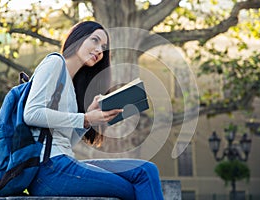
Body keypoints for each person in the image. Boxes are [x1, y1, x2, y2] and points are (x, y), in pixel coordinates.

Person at [23, 21, 164, 200]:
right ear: (77, 38)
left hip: (63, 162)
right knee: (129, 189)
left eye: (103, 47)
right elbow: (31, 113)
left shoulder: (72, 88)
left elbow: (66, 142)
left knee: (146, 170)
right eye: (95, 41)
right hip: (48, 169)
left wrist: (89, 120)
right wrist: (85, 118)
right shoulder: (54, 63)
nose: (99, 50)